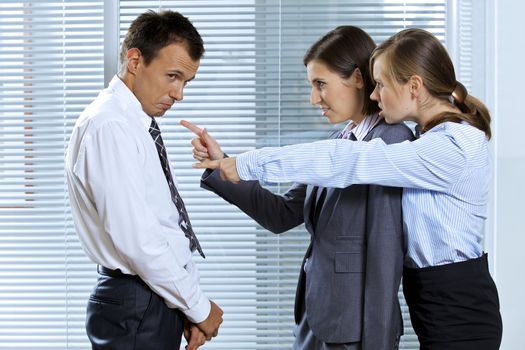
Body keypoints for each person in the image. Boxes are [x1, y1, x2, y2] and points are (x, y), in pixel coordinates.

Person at [197, 28, 503, 350]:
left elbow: (380, 242)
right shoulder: (417, 141)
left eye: (381, 84)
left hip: (455, 305)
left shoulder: (445, 146)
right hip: (424, 303)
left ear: (414, 86)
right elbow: (285, 211)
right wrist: (222, 169)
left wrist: (246, 162)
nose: (375, 93)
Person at [183, 26, 414, 350]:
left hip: (355, 331)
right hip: (316, 319)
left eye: (321, 84)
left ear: (358, 79)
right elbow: (281, 214)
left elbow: (384, 256)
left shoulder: (391, 141)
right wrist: (222, 165)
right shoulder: (338, 142)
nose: (313, 98)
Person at [65, 10, 223, 350]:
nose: (179, 93)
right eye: (172, 76)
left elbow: (165, 224)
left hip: (150, 299)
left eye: (185, 82)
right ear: (135, 60)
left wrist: (188, 305)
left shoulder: (133, 123)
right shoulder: (111, 126)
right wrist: (198, 307)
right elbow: (138, 240)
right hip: (136, 302)